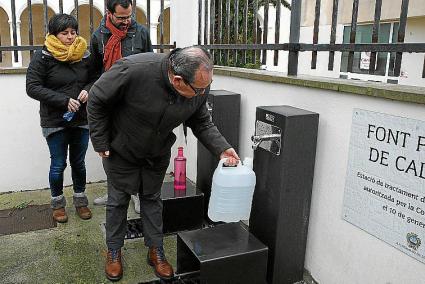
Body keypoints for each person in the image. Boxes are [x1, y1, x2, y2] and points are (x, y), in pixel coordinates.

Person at [87, 46, 239, 281]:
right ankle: (114, 250)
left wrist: (222, 148)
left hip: (156, 153)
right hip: (122, 149)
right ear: (177, 80)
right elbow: (96, 99)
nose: (202, 94)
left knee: (152, 199)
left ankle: (155, 249)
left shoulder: (198, 86)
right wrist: (100, 140)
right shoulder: (132, 70)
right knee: (118, 201)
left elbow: (202, 123)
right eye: (198, 90)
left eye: (206, 87)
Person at [26, 14, 92, 223]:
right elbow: (32, 87)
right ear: (54, 35)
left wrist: (88, 90)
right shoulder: (43, 56)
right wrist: (63, 101)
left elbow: (96, 77)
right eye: (65, 33)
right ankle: (57, 204)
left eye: (73, 32)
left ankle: (80, 201)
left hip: (81, 119)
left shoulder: (84, 54)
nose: (71, 37)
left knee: (79, 163)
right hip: (55, 121)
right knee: (58, 164)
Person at [90, 0, 153, 211]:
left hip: (136, 101)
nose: (127, 21)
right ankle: (114, 192)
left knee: (135, 148)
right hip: (110, 101)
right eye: (121, 18)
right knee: (109, 148)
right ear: (109, 13)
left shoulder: (141, 32)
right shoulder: (99, 35)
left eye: (129, 16)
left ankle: (135, 193)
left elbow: (151, 64)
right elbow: (94, 70)